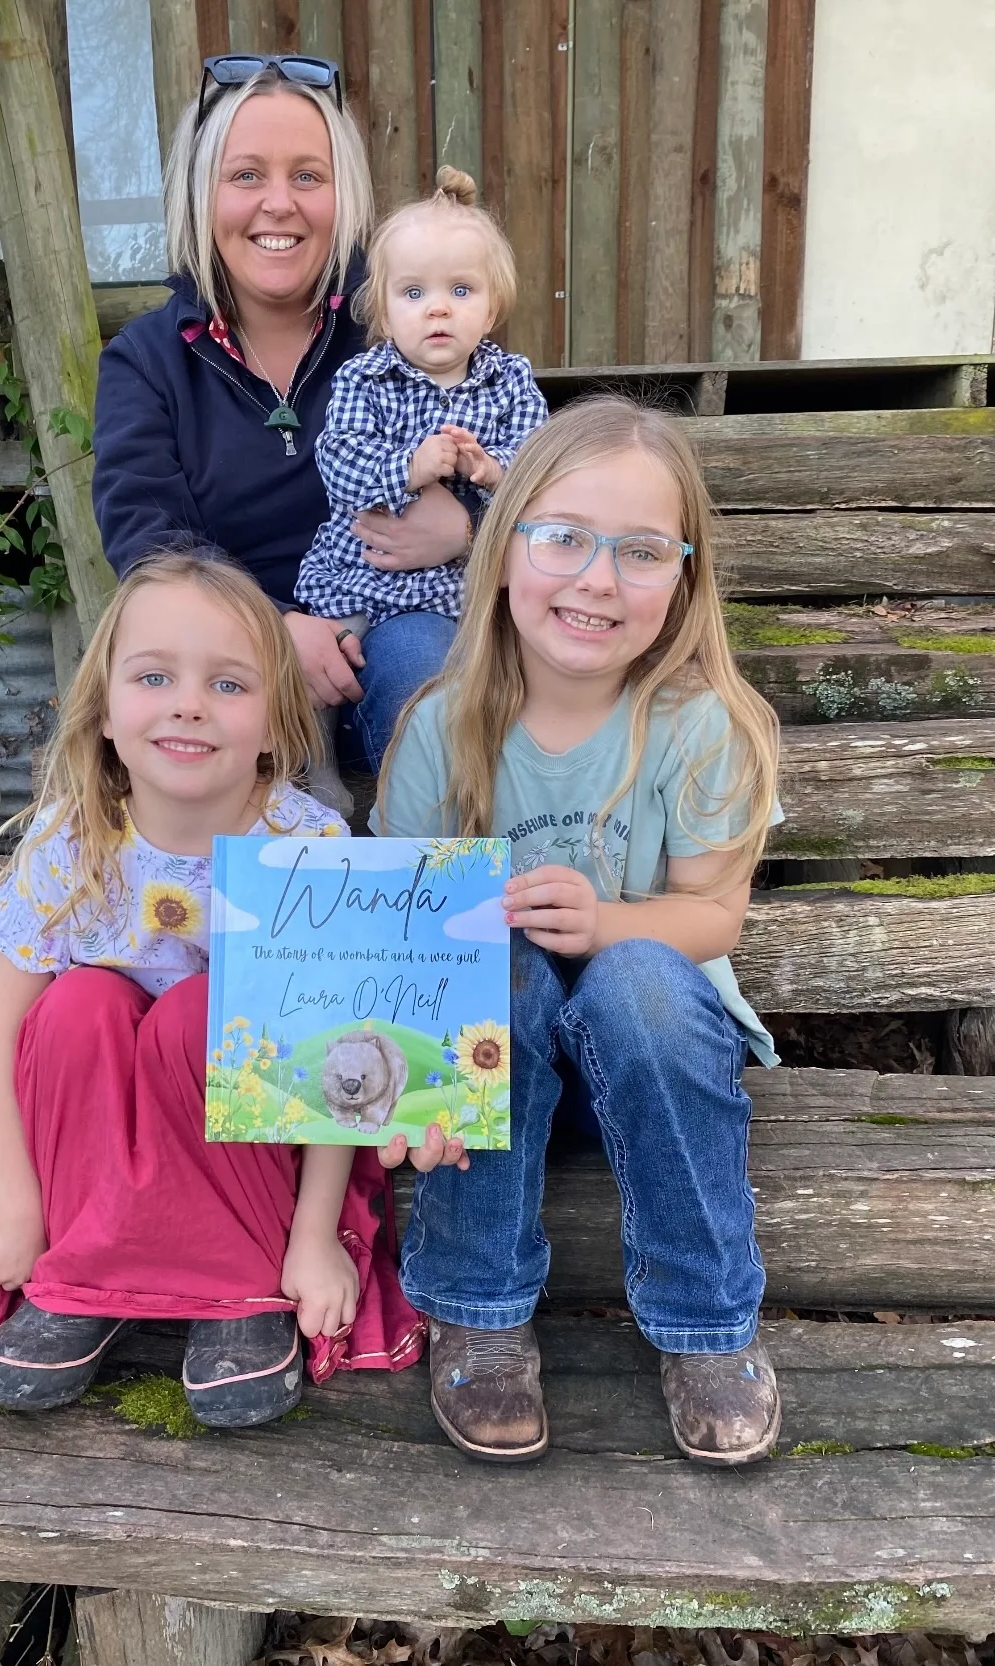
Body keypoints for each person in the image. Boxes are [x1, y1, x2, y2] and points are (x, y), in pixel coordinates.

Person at [0, 550, 425, 1426]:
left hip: (247, 1155)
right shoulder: (72, 842)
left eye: (228, 684)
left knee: (199, 1011)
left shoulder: (303, 845)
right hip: (89, 1146)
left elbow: (333, 1054)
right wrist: (20, 1211)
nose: (188, 703)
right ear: (106, 711)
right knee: (80, 1004)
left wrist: (313, 1239)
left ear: (277, 723)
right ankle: (83, 1274)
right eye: (155, 677)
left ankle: (239, 1283)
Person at [373, 395, 783, 1466]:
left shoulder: (701, 725)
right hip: (494, 1079)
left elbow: (715, 914)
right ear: (505, 548)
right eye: (563, 537)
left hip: (654, 1068)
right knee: (495, 963)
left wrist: (605, 923)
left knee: (637, 973)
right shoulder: (441, 726)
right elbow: (400, 938)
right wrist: (395, 1086)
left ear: (683, 577)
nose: (598, 579)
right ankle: (477, 1306)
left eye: (641, 551)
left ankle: (708, 1322)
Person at [92, 54, 477, 771]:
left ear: (343, 194)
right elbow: (149, 546)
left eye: (307, 176)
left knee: (430, 687)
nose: (279, 203)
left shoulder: (405, 326)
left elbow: (527, 470)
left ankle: (441, 844)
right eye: (246, 176)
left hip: (401, 620)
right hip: (222, 653)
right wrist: (269, 631)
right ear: (202, 195)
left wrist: (470, 528)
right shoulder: (145, 363)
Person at [295, 164, 548, 771]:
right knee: (323, 663)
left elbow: (544, 474)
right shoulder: (365, 379)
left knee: (484, 671)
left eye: (460, 291)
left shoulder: (511, 382)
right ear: (384, 313)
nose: (438, 309)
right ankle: (315, 765)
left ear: (492, 307)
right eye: (414, 294)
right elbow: (338, 462)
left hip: (464, 592)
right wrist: (409, 467)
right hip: (361, 575)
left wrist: (494, 473)